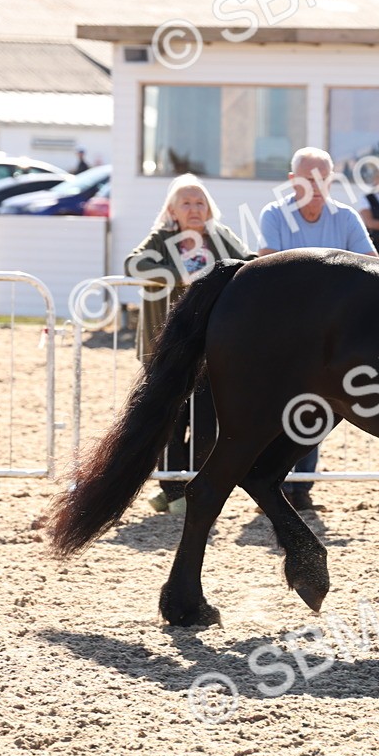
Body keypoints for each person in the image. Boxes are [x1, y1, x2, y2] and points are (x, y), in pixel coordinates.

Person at [259, 147, 377, 512]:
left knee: (319, 409)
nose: (316, 185)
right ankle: (266, 486)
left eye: (323, 178)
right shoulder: (273, 214)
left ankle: (303, 488)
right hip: (281, 329)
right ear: (293, 181)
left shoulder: (346, 217)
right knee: (271, 410)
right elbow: (267, 265)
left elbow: (371, 266)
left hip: (328, 335)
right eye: (309, 178)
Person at [125, 174, 250, 514]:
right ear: (172, 210)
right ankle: (174, 492)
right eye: (186, 203)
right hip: (166, 350)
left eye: (200, 202)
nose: (194, 209)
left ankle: (195, 487)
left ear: (209, 208)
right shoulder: (162, 238)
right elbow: (133, 264)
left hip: (212, 351)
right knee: (170, 420)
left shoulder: (221, 237)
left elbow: (248, 264)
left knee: (208, 423)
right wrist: (178, 274)